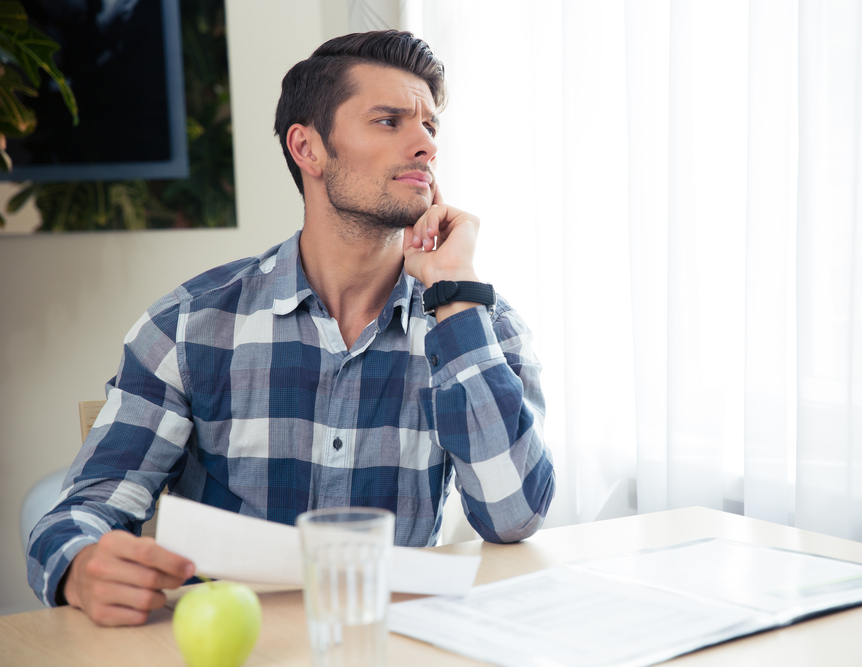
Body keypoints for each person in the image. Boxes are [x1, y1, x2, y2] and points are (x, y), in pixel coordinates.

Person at [26, 29, 555, 627]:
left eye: (430, 127)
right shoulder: (191, 324)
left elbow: (513, 515)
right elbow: (85, 509)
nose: (425, 146)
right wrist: (80, 565)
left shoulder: (478, 326)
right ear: (308, 148)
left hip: (385, 646)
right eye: (389, 121)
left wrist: (454, 294)